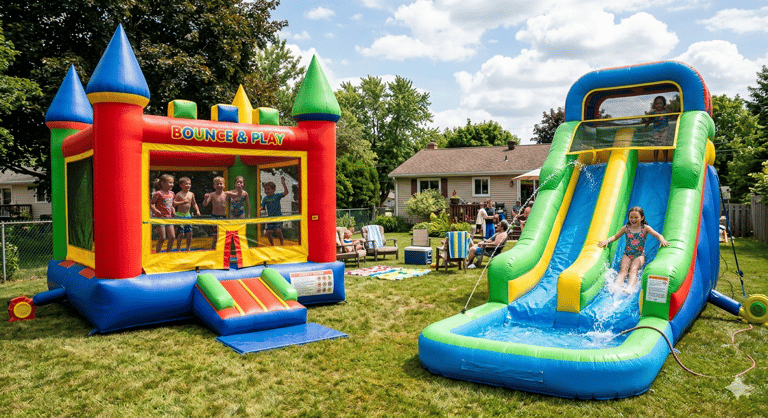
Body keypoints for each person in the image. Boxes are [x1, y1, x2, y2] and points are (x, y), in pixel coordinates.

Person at [598, 206, 670, 294]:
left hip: (639, 255)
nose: (633, 219)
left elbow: (658, 235)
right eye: (631, 217)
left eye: (636, 217)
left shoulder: (645, 228)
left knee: (633, 270)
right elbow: (615, 236)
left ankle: (630, 287)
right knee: (623, 270)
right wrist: (607, 241)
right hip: (627, 254)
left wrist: (662, 240)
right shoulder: (626, 228)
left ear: (642, 218)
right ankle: (616, 286)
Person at [173, 177, 201, 251]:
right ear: (181, 185)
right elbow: (173, 204)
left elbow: (194, 203)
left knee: (189, 233)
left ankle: (188, 248)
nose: (188, 185)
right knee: (181, 234)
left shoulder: (191, 194)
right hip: (180, 215)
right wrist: (181, 203)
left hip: (188, 215)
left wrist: (197, 211)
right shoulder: (179, 194)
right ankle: (178, 248)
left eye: (189, 184)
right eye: (186, 184)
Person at [150, 174, 176, 253]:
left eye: (172, 183)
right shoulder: (159, 193)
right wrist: (155, 210)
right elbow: (151, 203)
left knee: (172, 237)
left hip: (168, 218)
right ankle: (158, 253)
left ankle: (168, 253)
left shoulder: (172, 194)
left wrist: (173, 210)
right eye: (170, 182)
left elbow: (171, 205)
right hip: (160, 218)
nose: (172, 184)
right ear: (162, 183)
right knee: (162, 238)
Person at [261, 177, 289, 245]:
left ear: (273, 190)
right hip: (271, 218)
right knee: (268, 232)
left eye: (268, 189)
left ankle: (282, 243)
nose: (266, 191)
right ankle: (272, 245)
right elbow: (262, 207)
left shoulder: (276, 196)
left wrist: (283, 183)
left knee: (278, 230)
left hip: (278, 217)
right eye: (265, 189)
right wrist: (258, 210)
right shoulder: (265, 199)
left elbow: (286, 192)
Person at [203, 176, 228, 248]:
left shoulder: (226, 194)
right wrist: (205, 199)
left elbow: (236, 197)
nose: (219, 185)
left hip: (223, 217)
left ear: (224, 185)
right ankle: (213, 249)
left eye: (221, 184)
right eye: (217, 184)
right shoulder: (212, 194)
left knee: (223, 235)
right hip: (215, 217)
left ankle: (222, 249)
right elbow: (205, 204)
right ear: (214, 186)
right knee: (215, 236)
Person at [644, 96, 670, 161]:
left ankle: (665, 159)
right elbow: (649, 120)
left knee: (664, 144)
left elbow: (673, 115)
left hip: (664, 129)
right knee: (656, 144)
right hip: (656, 130)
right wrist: (645, 128)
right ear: (654, 105)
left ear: (664, 104)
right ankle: (655, 159)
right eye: (656, 104)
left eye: (660, 103)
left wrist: (668, 110)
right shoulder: (653, 112)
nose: (658, 105)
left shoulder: (666, 111)